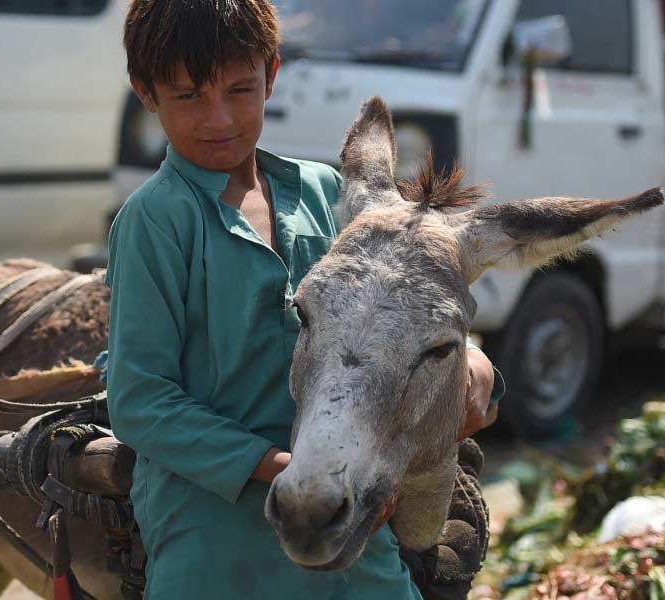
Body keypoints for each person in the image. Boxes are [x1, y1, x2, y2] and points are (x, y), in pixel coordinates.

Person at [105, 1, 500, 597]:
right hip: (209, 512)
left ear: (271, 75)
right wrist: (275, 467)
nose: (218, 119)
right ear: (146, 92)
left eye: (240, 90)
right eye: (188, 97)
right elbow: (139, 400)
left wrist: (474, 362)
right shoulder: (154, 219)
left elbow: (411, 306)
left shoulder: (323, 192)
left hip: (343, 497)